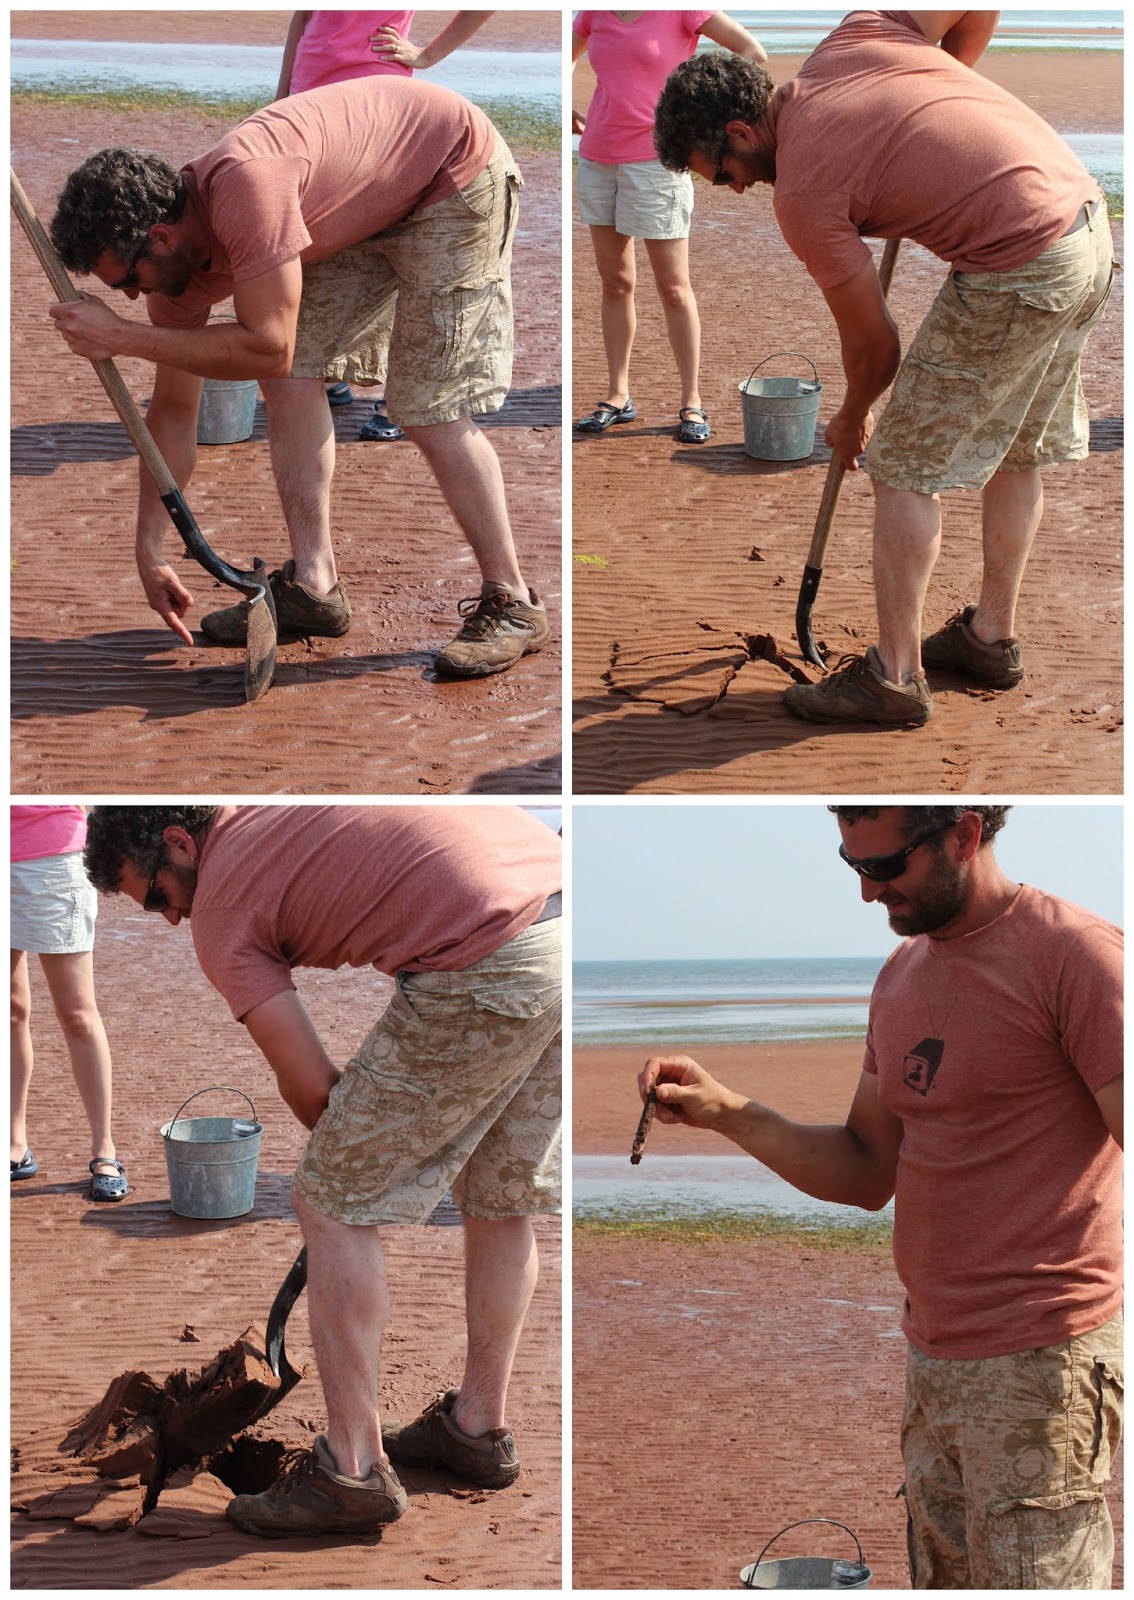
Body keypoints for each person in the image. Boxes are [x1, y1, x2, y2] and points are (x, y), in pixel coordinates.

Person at [639, 804, 1122, 1589]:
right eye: (851, 865)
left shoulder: (1077, 956)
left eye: (886, 867)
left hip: (1044, 1367)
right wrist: (724, 1110)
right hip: (932, 1359)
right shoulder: (902, 976)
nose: (867, 894)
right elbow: (866, 1168)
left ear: (965, 836)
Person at [84, 803, 561, 1538]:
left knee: (329, 1203)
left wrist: (346, 1178)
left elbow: (309, 1087)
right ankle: (476, 1429)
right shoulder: (274, 820)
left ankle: (351, 1470)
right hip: (565, 923)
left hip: (484, 954)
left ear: (180, 843)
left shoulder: (220, 908)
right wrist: (370, 1151)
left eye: (155, 896)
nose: (170, 920)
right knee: (500, 1198)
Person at [653, 12, 1113, 725]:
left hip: (1020, 262)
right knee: (1015, 444)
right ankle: (991, 639)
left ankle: (894, 679)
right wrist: (943, 96)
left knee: (900, 467)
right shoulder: (854, 36)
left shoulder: (800, 193)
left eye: (723, 175)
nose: (735, 190)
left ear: (740, 134)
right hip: (1086, 227)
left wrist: (851, 417)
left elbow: (876, 350)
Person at [47, 77, 549, 679]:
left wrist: (123, 338)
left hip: (449, 174)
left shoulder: (247, 189)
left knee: (424, 405)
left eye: (128, 278)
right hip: (363, 196)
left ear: (161, 235)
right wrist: (149, 550)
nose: (130, 296)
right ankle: (314, 587)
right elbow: (175, 415)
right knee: (288, 381)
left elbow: (268, 345)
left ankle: (512, 599)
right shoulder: (173, 278)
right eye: (117, 293)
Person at [277, 9, 496, 436]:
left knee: (391, 249)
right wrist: (282, 96)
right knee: (312, 240)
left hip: (377, 101)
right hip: (308, 91)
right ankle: (330, 372)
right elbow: (303, 16)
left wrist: (427, 55)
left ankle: (393, 400)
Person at [572, 11, 766, 443]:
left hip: (660, 163)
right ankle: (618, 394)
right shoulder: (592, 12)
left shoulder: (683, 8)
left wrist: (707, 124)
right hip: (598, 158)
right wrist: (566, 102)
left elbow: (753, 52)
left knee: (674, 287)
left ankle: (691, 400)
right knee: (615, 283)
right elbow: (570, 54)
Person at [11, 806, 127, 1202]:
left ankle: (104, 1151)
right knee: (9, 1011)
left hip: (53, 857)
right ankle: (14, 1145)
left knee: (77, 1013)